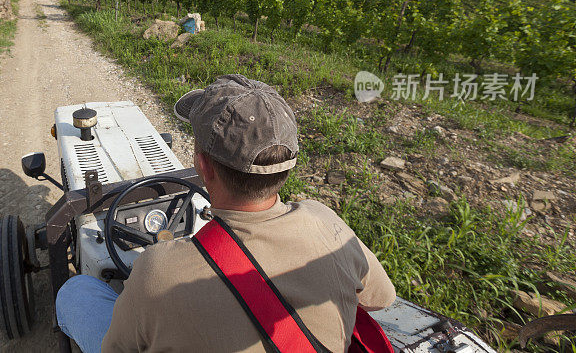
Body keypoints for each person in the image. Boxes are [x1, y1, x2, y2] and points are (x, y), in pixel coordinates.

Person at [56, 75, 396, 353]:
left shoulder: (158, 270)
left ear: (203, 165)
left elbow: (117, 349)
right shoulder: (326, 223)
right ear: (287, 165)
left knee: (76, 293)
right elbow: (383, 297)